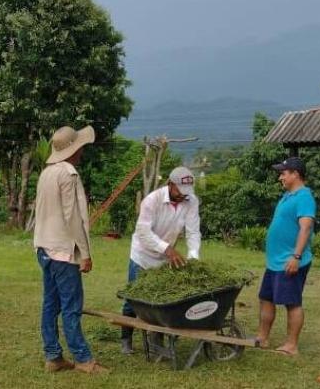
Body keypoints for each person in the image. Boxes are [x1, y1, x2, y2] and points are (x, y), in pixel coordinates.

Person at [32, 125, 108, 375]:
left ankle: (53, 356)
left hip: (44, 248)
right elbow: (72, 217)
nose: (82, 151)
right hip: (63, 251)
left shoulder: (46, 173)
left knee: (50, 304)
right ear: (75, 149)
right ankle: (83, 359)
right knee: (71, 306)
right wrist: (85, 253)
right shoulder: (68, 174)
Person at [120, 166, 202, 354]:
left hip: (164, 258)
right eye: (180, 190)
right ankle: (126, 339)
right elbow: (143, 232)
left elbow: (193, 231)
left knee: (160, 299)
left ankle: (157, 339)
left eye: (187, 191)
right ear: (170, 184)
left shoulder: (191, 201)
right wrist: (167, 249)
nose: (183, 195)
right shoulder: (152, 200)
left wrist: (193, 256)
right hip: (142, 255)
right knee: (133, 299)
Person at [256, 156, 316, 356]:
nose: (280, 177)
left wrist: (296, 257)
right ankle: (262, 338)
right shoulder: (288, 196)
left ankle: (291, 346)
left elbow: (305, 227)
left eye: (283, 173)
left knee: (292, 303)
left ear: (295, 174)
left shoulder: (304, 197)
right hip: (275, 262)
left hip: (290, 261)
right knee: (266, 298)